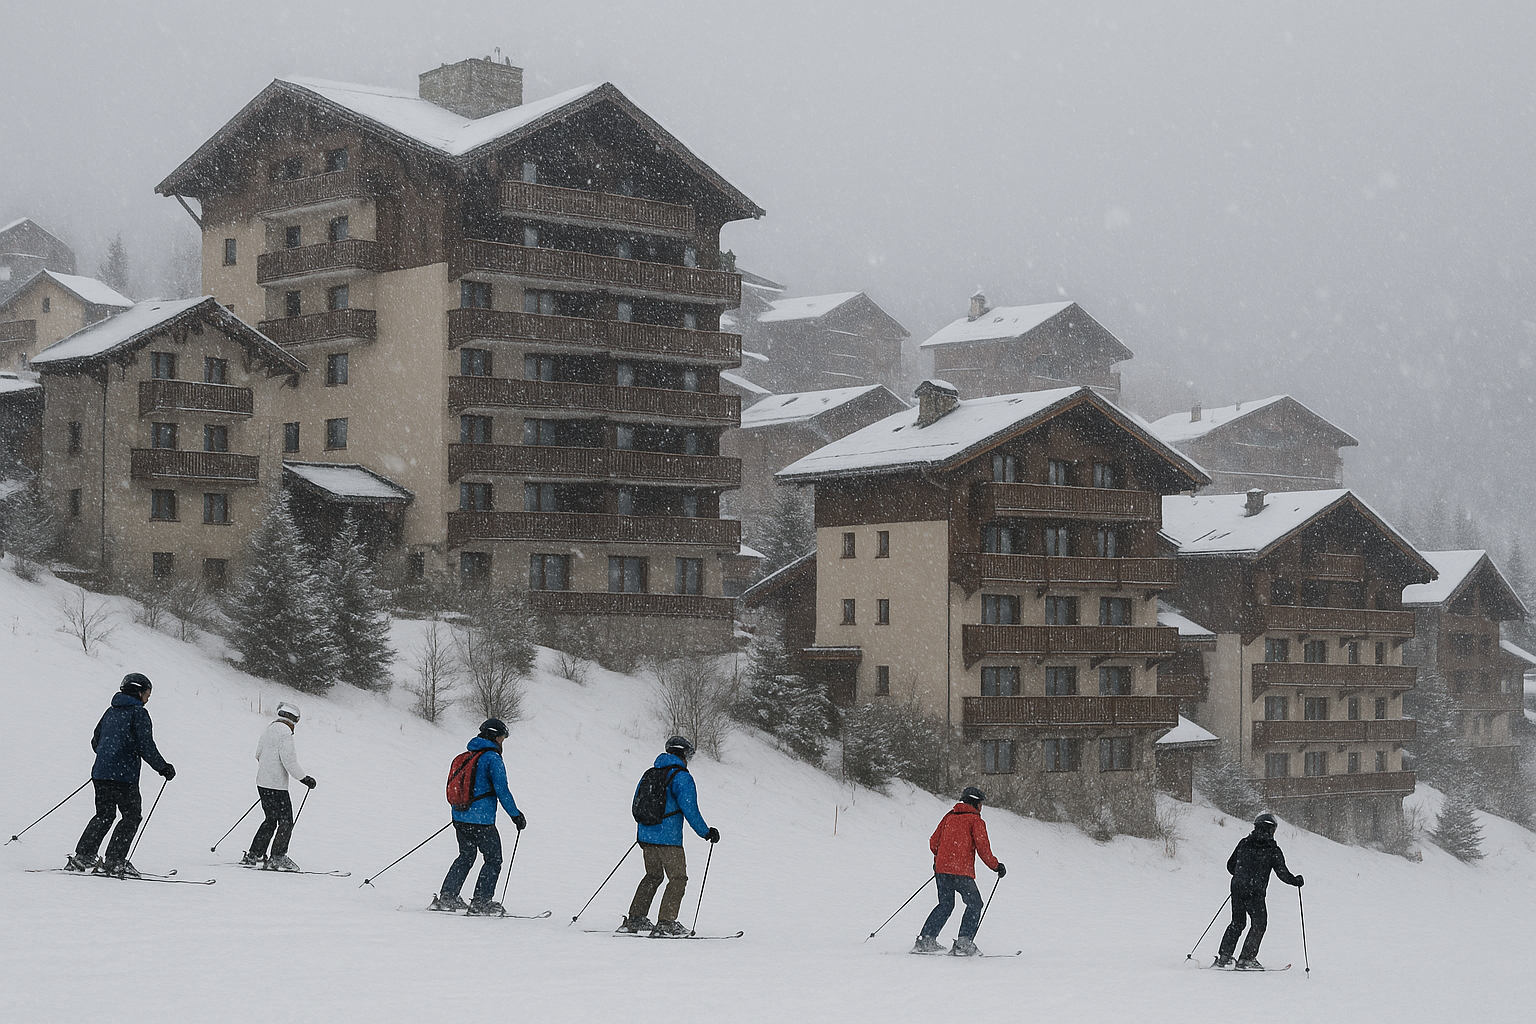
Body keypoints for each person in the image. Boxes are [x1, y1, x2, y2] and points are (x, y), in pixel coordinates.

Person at [67, 673, 175, 878]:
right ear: (138, 691)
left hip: (101, 774)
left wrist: (108, 758)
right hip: (123, 777)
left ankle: (84, 856)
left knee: (104, 815)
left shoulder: (110, 711)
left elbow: (95, 741)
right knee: (131, 816)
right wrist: (163, 767)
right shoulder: (138, 713)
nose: (148, 698)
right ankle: (115, 861)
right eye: (147, 693)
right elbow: (146, 745)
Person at [621, 735, 718, 937]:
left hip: (647, 837)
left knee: (653, 875)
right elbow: (690, 809)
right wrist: (706, 832)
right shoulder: (681, 777)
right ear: (683, 754)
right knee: (678, 878)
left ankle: (636, 918)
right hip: (669, 839)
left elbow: (636, 804)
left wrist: (644, 832)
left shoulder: (651, 773)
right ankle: (666, 922)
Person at [431, 719, 525, 916]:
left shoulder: (465, 756)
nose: (502, 742)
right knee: (493, 859)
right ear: (496, 737)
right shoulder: (492, 758)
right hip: (481, 821)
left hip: (459, 817)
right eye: (502, 738)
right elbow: (502, 790)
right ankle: (481, 902)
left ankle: (447, 897)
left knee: (466, 855)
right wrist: (515, 815)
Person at [914, 786, 1005, 956]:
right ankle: (963, 944)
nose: (982, 808)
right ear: (976, 804)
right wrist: (996, 866)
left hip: (942, 870)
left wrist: (941, 859)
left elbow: (934, 842)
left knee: (945, 904)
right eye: (981, 804)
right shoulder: (975, 821)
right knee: (974, 903)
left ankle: (925, 940)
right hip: (961, 871)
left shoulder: (949, 817)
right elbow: (983, 849)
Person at [1214, 812, 1304, 970]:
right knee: (1259, 924)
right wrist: (1295, 881)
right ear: (1271, 830)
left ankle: (1224, 958)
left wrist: (1242, 876)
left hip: (1237, 888)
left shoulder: (1244, 843)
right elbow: (1282, 873)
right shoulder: (1272, 849)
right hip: (1255, 892)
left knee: (1237, 922)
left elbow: (1230, 865)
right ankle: (1246, 959)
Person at [243, 701, 317, 871]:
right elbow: (289, 761)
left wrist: (268, 772)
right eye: (295, 723)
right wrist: (304, 779)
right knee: (286, 821)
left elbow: (258, 754)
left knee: (270, 819)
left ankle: (254, 854)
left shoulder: (269, 730)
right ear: (291, 720)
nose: (294, 728)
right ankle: (278, 857)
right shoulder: (285, 734)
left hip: (262, 783)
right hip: (277, 787)